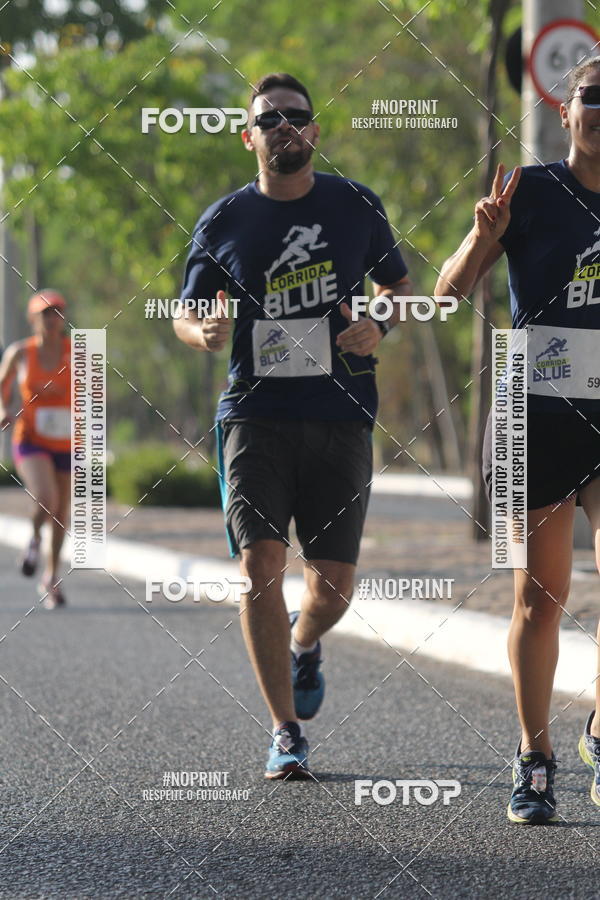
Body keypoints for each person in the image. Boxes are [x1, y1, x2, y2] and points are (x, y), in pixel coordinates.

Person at [175, 72, 411, 779]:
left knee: (334, 585)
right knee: (260, 570)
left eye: (295, 116)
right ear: (249, 137)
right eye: (268, 119)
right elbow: (186, 311)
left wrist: (380, 321)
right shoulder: (224, 221)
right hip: (255, 416)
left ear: (314, 130)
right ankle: (284, 730)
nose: (283, 126)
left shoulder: (354, 205)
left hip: (341, 415)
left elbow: (396, 285)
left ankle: (306, 642)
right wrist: (202, 331)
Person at [435, 57, 600, 823]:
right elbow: (449, 291)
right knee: (541, 599)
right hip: (539, 412)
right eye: (591, 99)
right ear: (564, 112)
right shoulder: (529, 191)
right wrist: (481, 240)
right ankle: (535, 757)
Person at [0, 290, 71, 610]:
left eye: (57, 313)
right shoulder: (20, 353)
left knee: (60, 514)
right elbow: (2, 386)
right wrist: (3, 410)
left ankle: (51, 578)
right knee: (46, 498)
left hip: (67, 442)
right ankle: (33, 538)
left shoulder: (77, 352)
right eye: (45, 314)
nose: (52, 320)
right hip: (30, 440)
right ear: (33, 319)